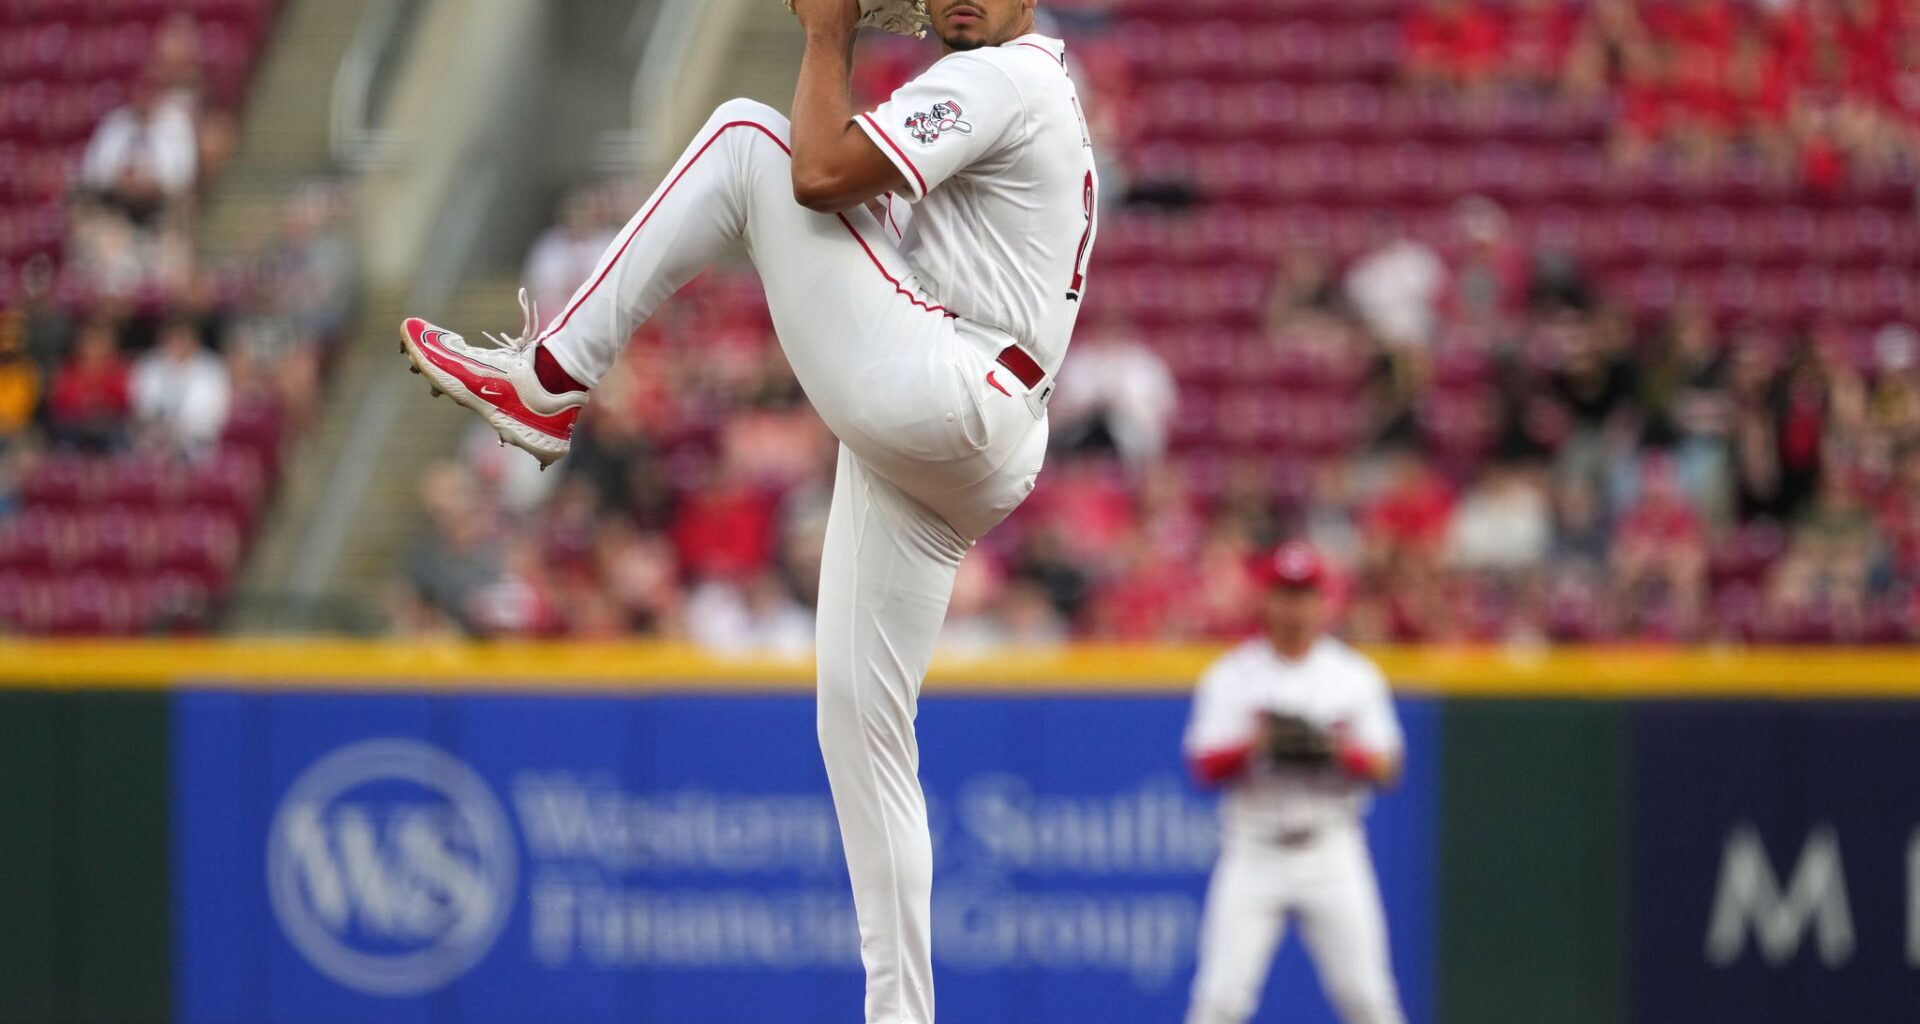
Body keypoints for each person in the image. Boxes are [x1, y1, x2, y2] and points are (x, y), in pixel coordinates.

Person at [396, 2, 1097, 1021]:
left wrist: (826, 34)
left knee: (744, 141)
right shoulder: (1014, 81)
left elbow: (814, 173)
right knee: (861, 729)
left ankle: (549, 376)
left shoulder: (1007, 76)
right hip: (970, 436)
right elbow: (854, 197)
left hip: (955, 387)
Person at [1184, 542, 1408, 1024]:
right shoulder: (1233, 675)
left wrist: (1337, 750)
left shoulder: (1352, 675)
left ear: (1324, 600)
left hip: (1332, 850)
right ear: (1266, 598)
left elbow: (1389, 767)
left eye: (1305, 593)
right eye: (1285, 593)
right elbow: (1203, 765)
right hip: (1253, 851)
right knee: (1218, 1004)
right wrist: (1255, 744)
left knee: (1369, 1001)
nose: (1296, 606)